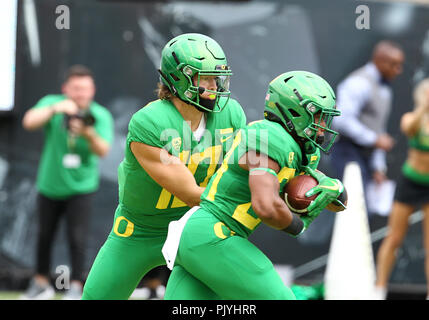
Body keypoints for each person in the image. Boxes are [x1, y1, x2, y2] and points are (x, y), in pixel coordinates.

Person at [81, 33, 247, 300]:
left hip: (195, 228)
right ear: (179, 79)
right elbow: (190, 193)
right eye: (204, 77)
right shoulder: (149, 122)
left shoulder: (231, 114)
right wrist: (258, 197)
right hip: (140, 230)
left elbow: (244, 170)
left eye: (216, 77)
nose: (214, 85)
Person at [161, 71, 345, 300]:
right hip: (214, 234)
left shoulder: (301, 150)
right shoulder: (266, 137)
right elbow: (265, 206)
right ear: (293, 111)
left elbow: (332, 199)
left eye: (324, 118)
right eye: (316, 116)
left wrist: (335, 189)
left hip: (204, 238)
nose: (321, 127)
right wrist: (300, 225)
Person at [20, 65, 114, 300]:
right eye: (76, 89)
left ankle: (75, 286)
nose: (80, 94)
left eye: (85, 89)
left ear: (92, 90)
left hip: (81, 188)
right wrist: (55, 109)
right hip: (50, 184)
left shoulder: (100, 115)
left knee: (77, 237)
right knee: (44, 236)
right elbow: (29, 122)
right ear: (66, 89)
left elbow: (103, 150)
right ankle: (40, 283)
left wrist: (87, 132)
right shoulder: (54, 103)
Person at [330, 40, 404, 213]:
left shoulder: (385, 89)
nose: (398, 70)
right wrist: (374, 139)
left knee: (364, 211)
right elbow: (340, 120)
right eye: (394, 65)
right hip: (346, 152)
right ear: (380, 61)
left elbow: (378, 126)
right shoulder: (358, 83)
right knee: (352, 208)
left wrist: (378, 167)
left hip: (367, 157)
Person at [375, 78, 429, 300]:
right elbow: (409, 128)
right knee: (394, 237)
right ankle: (378, 288)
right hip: (409, 182)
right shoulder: (412, 118)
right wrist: (424, 107)